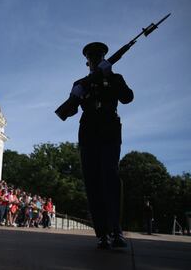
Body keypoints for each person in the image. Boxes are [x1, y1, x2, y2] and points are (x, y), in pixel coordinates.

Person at [62, 42, 134, 249]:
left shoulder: (115, 78)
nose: (95, 60)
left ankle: (116, 230)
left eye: (99, 57)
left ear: (104, 59)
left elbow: (128, 98)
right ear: (87, 62)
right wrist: (74, 95)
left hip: (110, 131)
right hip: (88, 133)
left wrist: (110, 76)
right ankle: (102, 233)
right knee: (92, 181)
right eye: (92, 58)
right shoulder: (81, 82)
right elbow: (70, 111)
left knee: (110, 177)